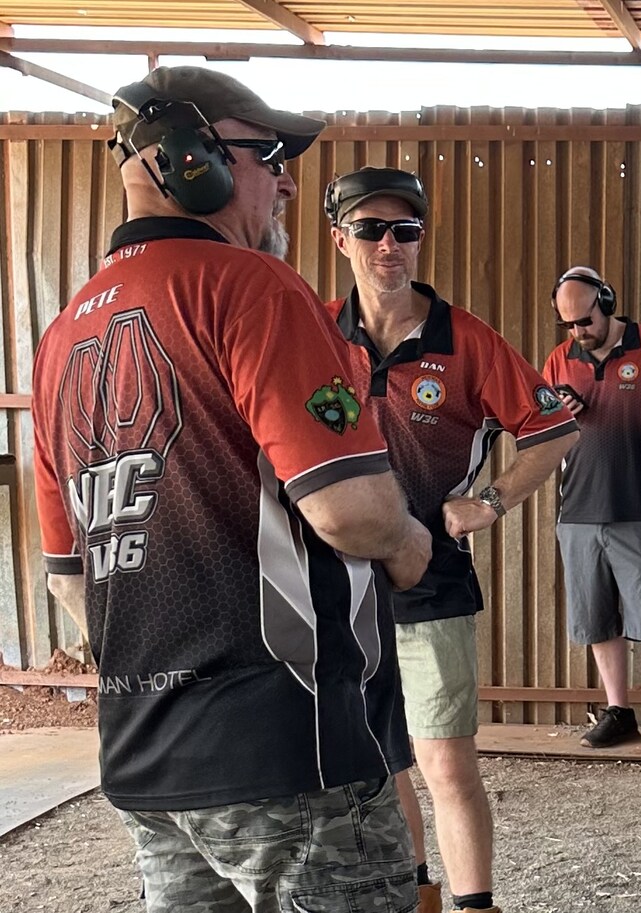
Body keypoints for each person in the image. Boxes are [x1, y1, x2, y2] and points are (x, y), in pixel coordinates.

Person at [31, 66, 431, 912]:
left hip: (145, 759)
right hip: (286, 745)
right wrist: (408, 540)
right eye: (269, 155)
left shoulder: (62, 336)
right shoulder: (251, 287)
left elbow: (69, 579)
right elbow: (352, 512)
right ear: (192, 159)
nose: (287, 182)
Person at [325, 167, 579, 913]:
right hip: (335, 581)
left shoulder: (465, 339)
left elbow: (554, 430)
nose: (389, 245)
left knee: (445, 761)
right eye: (370, 229)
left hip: (431, 581)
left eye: (404, 230)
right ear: (341, 239)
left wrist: (491, 500)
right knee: (381, 762)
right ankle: (417, 897)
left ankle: (474, 904)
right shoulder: (313, 331)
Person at [541, 266, 641, 760]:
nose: (578, 332)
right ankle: (619, 711)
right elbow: (538, 431)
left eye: (585, 321)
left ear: (606, 303)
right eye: (568, 325)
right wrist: (558, 415)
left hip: (639, 505)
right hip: (577, 511)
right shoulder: (559, 360)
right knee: (596, 617)